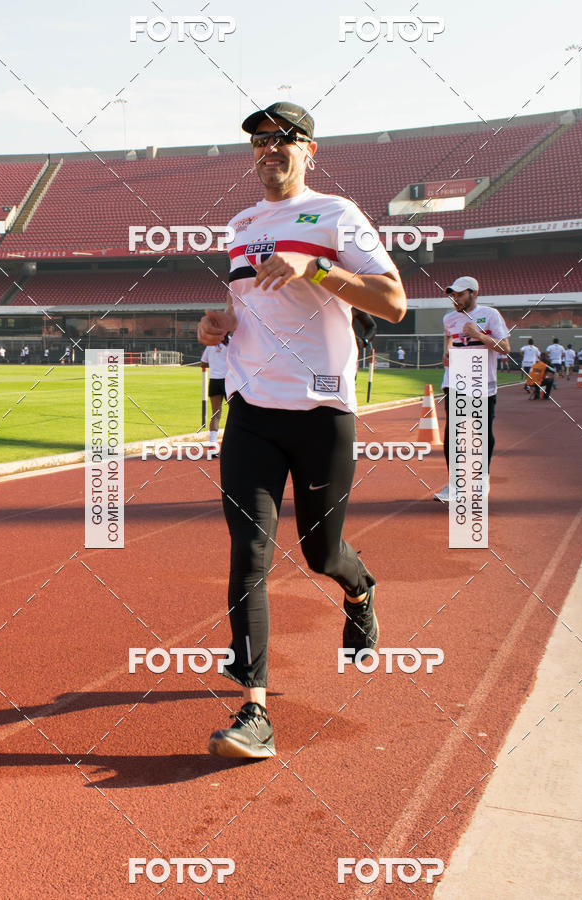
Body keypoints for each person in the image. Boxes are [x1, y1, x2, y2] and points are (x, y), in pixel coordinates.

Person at [197, 100, 406, 758]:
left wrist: (315, 267)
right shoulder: (240, 224)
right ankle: (254, 709)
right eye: (259, 140)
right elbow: (241, 306)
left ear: (308, 150)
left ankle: (360, 588)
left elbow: (393, 303)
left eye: (284, 138)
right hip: (252, 412)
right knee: (249, 555)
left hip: (321, 413)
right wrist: (216, 326)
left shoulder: (336, 215)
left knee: (321, 552)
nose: (269, 148)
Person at [433, 276, 510, 502]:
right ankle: (455, 484)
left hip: (482, 385)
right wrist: (445, 353)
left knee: (482, 433)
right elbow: (449, 340)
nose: (455, 299)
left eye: (460, 294)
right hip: (455, 382)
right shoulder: (449, 318)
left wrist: (478, 335)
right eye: (453, 295)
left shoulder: (490, 315)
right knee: (453, 437)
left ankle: (482, 478)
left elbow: (505, 348)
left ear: (473, 293)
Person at [200, 334, 230, 456]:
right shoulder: (232, 343)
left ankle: (212, 445)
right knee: (235, 414)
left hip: (214, 381)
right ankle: (233, 445)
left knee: (216, 414)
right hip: (229, 381)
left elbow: (203, 363)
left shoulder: (210, 345)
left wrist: (214, 365)